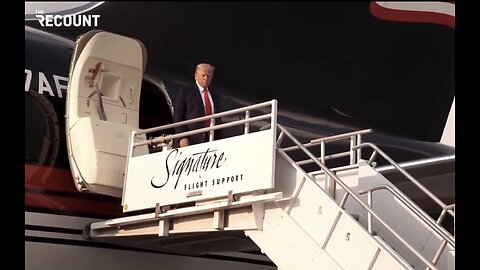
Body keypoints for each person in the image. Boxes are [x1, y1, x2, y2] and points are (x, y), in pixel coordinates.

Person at [173, 63, 221, 147]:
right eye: (203, 75)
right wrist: (182, 137)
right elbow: (178, 116)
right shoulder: (186, 92)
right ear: (196, 76)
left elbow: (217, 118)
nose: (206, 78)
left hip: (211, 140)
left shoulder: (214, 95)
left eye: (208, 76)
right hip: (191, 140)